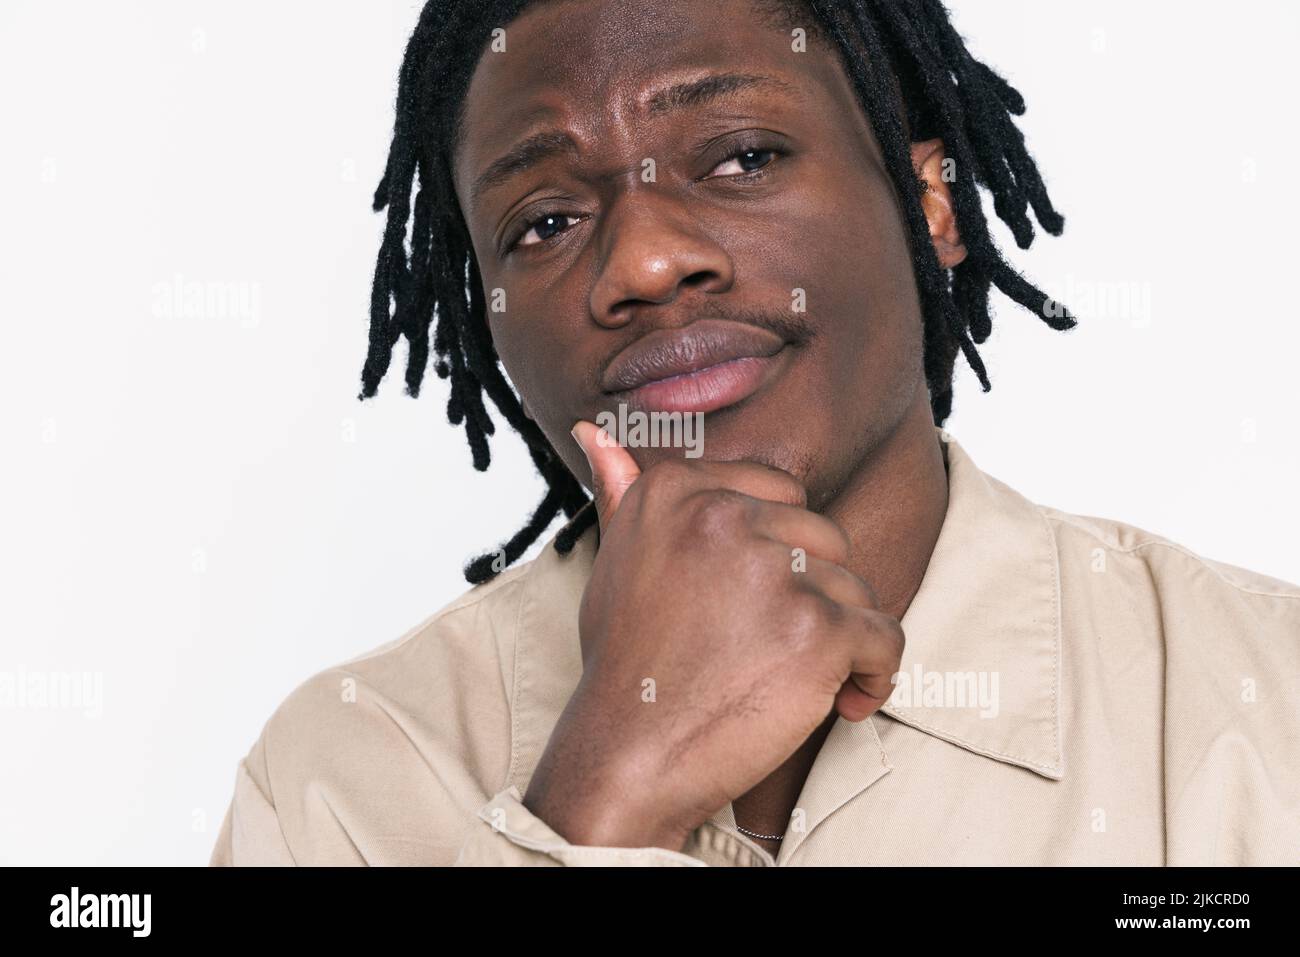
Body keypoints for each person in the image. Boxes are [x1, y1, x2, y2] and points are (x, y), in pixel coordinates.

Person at [210, 0, 1300, 866]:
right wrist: (603, 796)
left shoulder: (1263, 700)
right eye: (544, 223)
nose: (643, 262)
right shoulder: (340, 782)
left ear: (934, 205)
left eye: (740, 157)